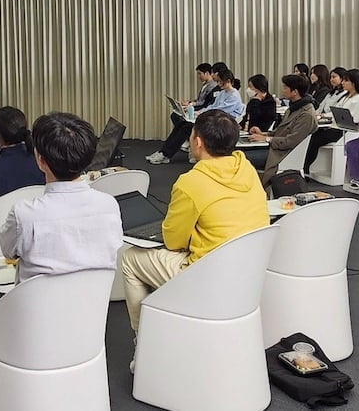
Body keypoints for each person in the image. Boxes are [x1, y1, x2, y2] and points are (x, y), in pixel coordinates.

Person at [0, 112, 122, 339]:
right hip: (88, 318)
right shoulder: (109, 206)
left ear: (41, 160)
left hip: (32, 323)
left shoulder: (25, 214)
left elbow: (8, 252)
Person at [122, 110, 269, 369]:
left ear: (197, 142)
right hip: (250, 274)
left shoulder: (191, 182)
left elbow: (173, 240)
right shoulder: (244, 166)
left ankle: (143, 342)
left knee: (130, 259)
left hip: (206, 280)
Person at [147, 68, 242, 165]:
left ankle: (166, 154)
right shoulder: (223, 93)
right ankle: (163, 152)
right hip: (216, 118)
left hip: (224, 122)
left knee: (188, 127)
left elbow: (221, 110)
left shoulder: (234, 95)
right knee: (182, 123)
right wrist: (200, 111)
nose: (218, 84)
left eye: (220, 82)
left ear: (228, 81)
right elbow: (213, 106)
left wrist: (201, 113)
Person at [245, 75, 318, 185]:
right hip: (275, 148)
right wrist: (263, 133)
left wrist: (266, 138)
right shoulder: (294, 108)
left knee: (242, 158)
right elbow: (280, 130)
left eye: (285, 88)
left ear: (295, 91)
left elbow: (290, 141)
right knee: (239, 153)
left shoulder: (306, 115)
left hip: (282, 154)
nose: (282, 91)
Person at [303, 68, 359, 176]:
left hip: (346, 131)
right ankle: (305, 166)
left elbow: (354, 120)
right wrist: (324, 116)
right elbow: (336, 112)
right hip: (336, 127)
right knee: (313, 133)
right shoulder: (346, 96)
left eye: (346, 80)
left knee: (316, 138)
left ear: (354, 82)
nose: (343, 83)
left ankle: (305, 167)